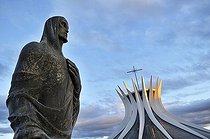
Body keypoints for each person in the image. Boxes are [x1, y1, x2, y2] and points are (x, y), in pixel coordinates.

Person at [6, 16, 82, 139]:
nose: (67, 29)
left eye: (67, 26)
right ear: (51, 26)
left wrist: (77, 90)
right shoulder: (36, 50)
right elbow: (19, 95)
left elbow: (70, 114)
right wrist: (29, 128)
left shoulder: (70, 67)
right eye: (63, 24)